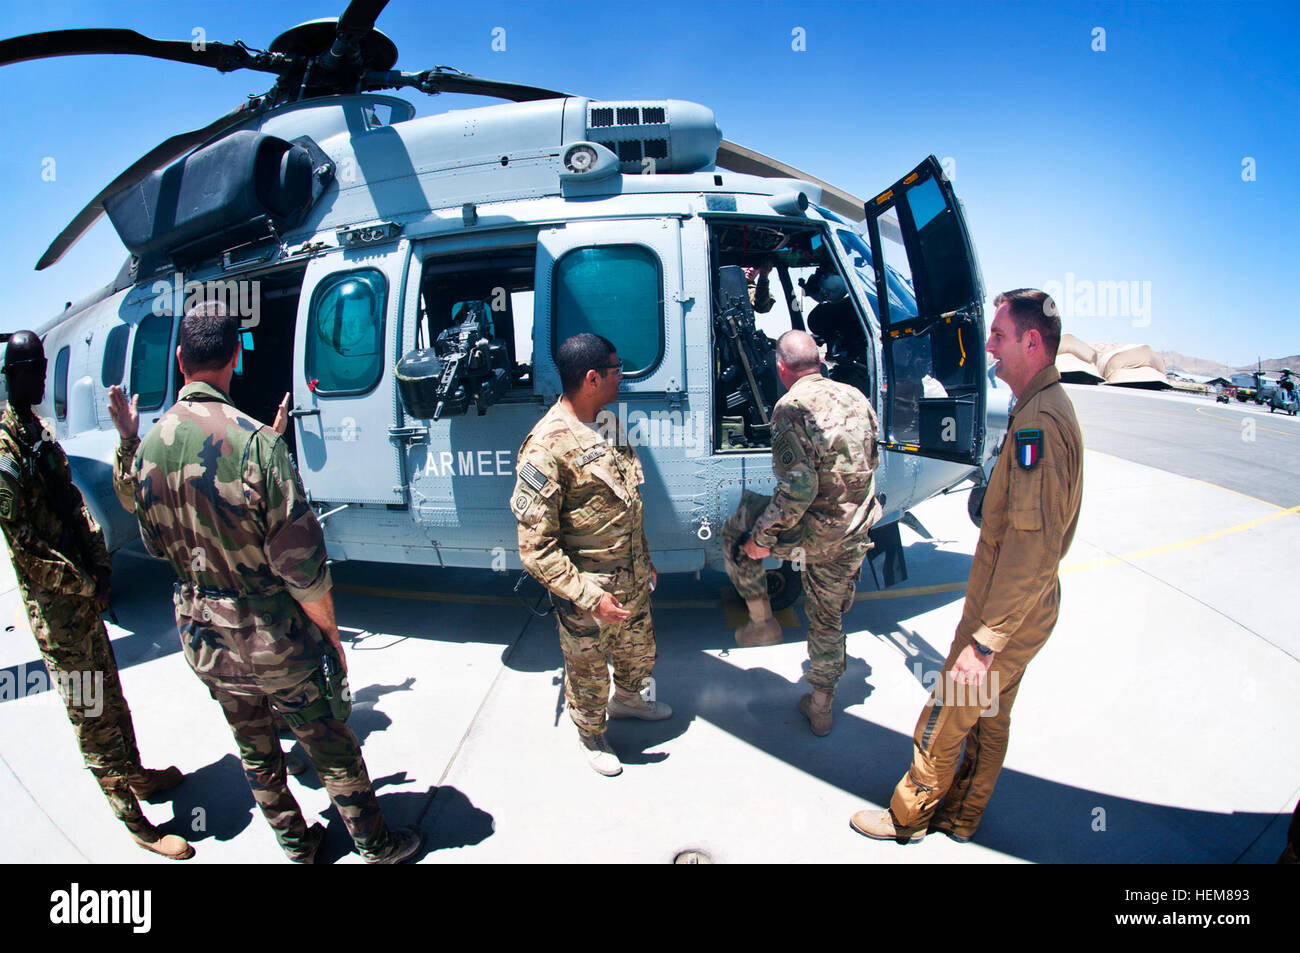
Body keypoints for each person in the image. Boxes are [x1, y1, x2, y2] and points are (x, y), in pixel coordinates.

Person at [108, 302, 422, 864]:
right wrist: (329, 635)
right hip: (272, 640)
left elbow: (155, 544)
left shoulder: (147, 449)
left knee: (254, 750)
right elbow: (301, 568)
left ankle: (298, 845)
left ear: (180, 361)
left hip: (203, 639)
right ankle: (375, 844)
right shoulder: (258, 444)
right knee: (329, 744)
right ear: (235, 359)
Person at [851, 288, 1083, 844]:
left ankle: (909, 818)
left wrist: (983, 645)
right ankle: (962, 816)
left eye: (999, 337)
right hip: (1023, 607)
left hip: (1004, 614)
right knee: (990, 717)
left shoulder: (1037, 426)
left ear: (1032, 341)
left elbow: (1030, 547)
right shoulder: (1043, 409)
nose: (989, 349)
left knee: (945, 716)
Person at [0, 331, 191, 860]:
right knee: (90, 710)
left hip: (83, 597)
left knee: (110, 693)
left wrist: (99, 561)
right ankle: (132, 818)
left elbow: (71, 503)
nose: (41, 377)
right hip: (59, 610)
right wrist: (83, 582)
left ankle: (135, 774)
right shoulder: (4, 450)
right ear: (11, 373)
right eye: (32, 368)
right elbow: (26, 546)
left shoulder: (37, 433)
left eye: (42, 366)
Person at [512, 333, 670, 777]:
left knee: (638, 653)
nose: (624, 378)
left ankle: (629, 701)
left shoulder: (609, 423)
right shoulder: (545, 447)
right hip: (588, 592)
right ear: (592, 377)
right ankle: (591, 732)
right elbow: (535, 548)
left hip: (632, 576)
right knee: (587, 670)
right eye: (617, 370)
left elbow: (630, 502)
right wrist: (588, 596)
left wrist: (646, 557)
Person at [722, 329, 881, 736]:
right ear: (820, 361)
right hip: (856, 526)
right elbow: (872, 459)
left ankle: (764, 624)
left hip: (819, 534)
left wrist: (761, 540)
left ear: (781, 367)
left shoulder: (790, 408)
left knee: (737, 531)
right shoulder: (856, 397)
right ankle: (822, 700)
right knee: (829, 616)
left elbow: (799, 489)